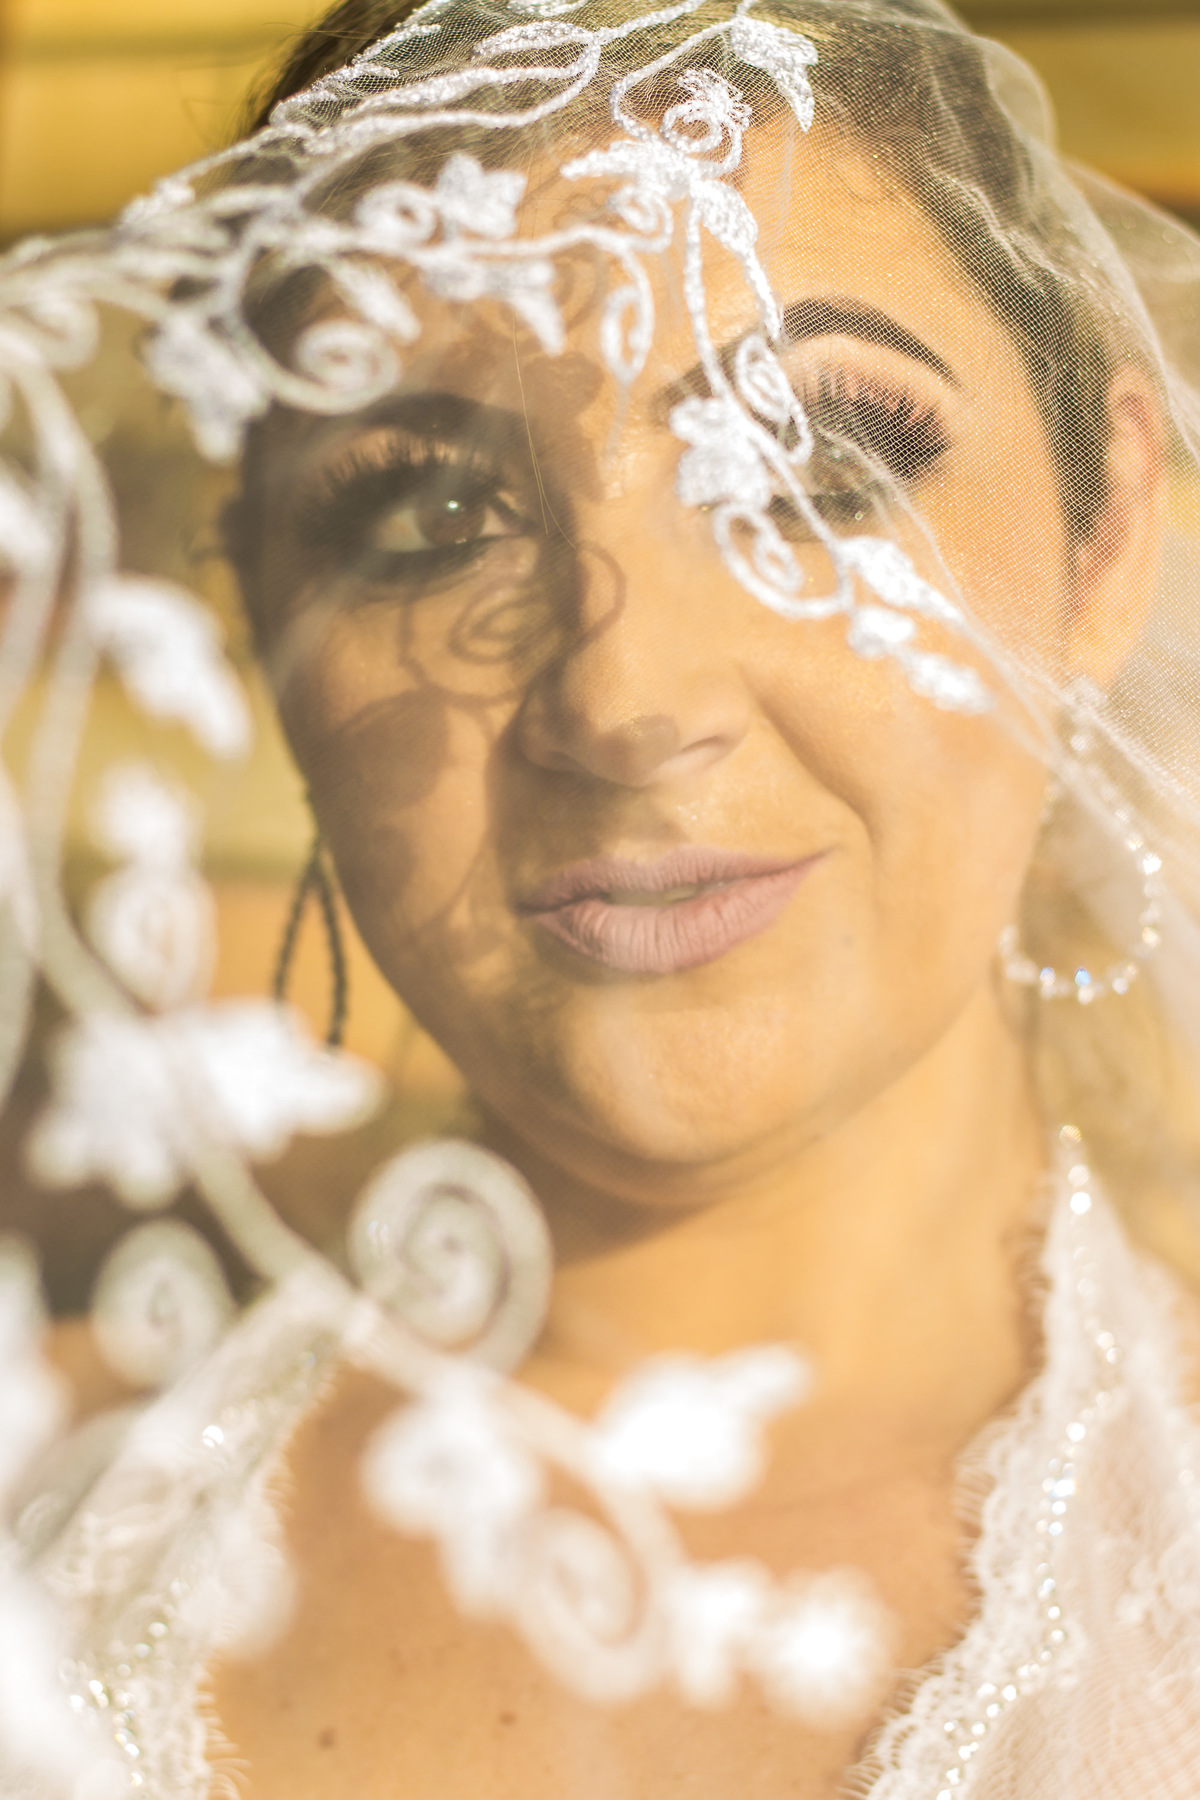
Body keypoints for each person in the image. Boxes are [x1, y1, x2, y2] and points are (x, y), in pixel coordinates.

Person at [3, 0, 1200, 1794]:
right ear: (259, 622)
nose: (628, 704)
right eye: (431, 516)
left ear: (1104, 539)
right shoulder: (41, 1532)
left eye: (808, 468)